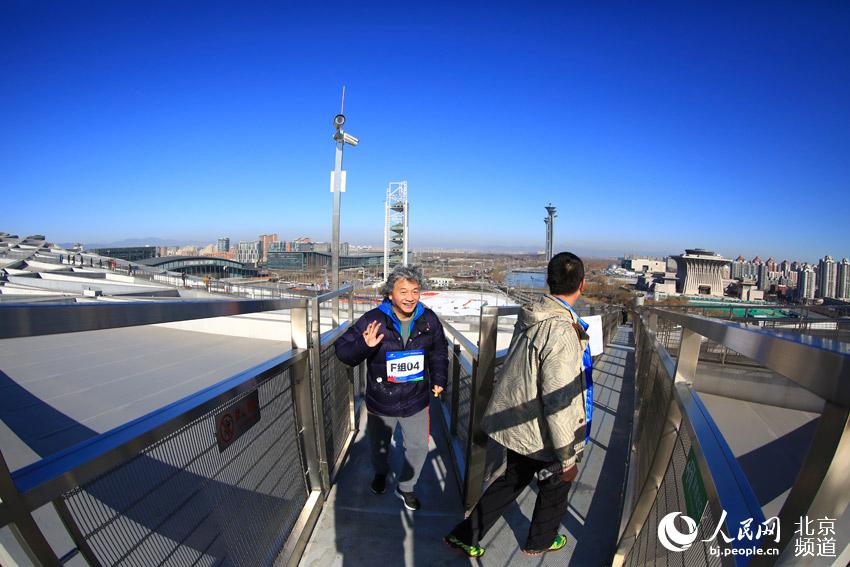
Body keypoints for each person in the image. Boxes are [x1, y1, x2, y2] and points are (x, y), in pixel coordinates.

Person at [445, 252, 591, 558]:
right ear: (582, 284)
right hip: (542, 430)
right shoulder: (561, 330)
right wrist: (567, 456)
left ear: (549, 281)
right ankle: (540, 541)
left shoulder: (533, 314)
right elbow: (558, 399)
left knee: (513, 478)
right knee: (556, 483)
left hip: (520, 420)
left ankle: (465, 535)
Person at [335, 265, 448, 511]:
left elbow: (439, 351)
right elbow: (343, 352)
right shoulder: (373, 320)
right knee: (379, 447)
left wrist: (439, 379)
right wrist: (364, 346)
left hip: (416, 399)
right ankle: (380, 473)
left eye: (415, 291)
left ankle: (407, 487)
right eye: (403, 291)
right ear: (390, 294)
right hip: (381, 400)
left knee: (418, 446)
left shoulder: (429, 320)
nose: (410, 297)